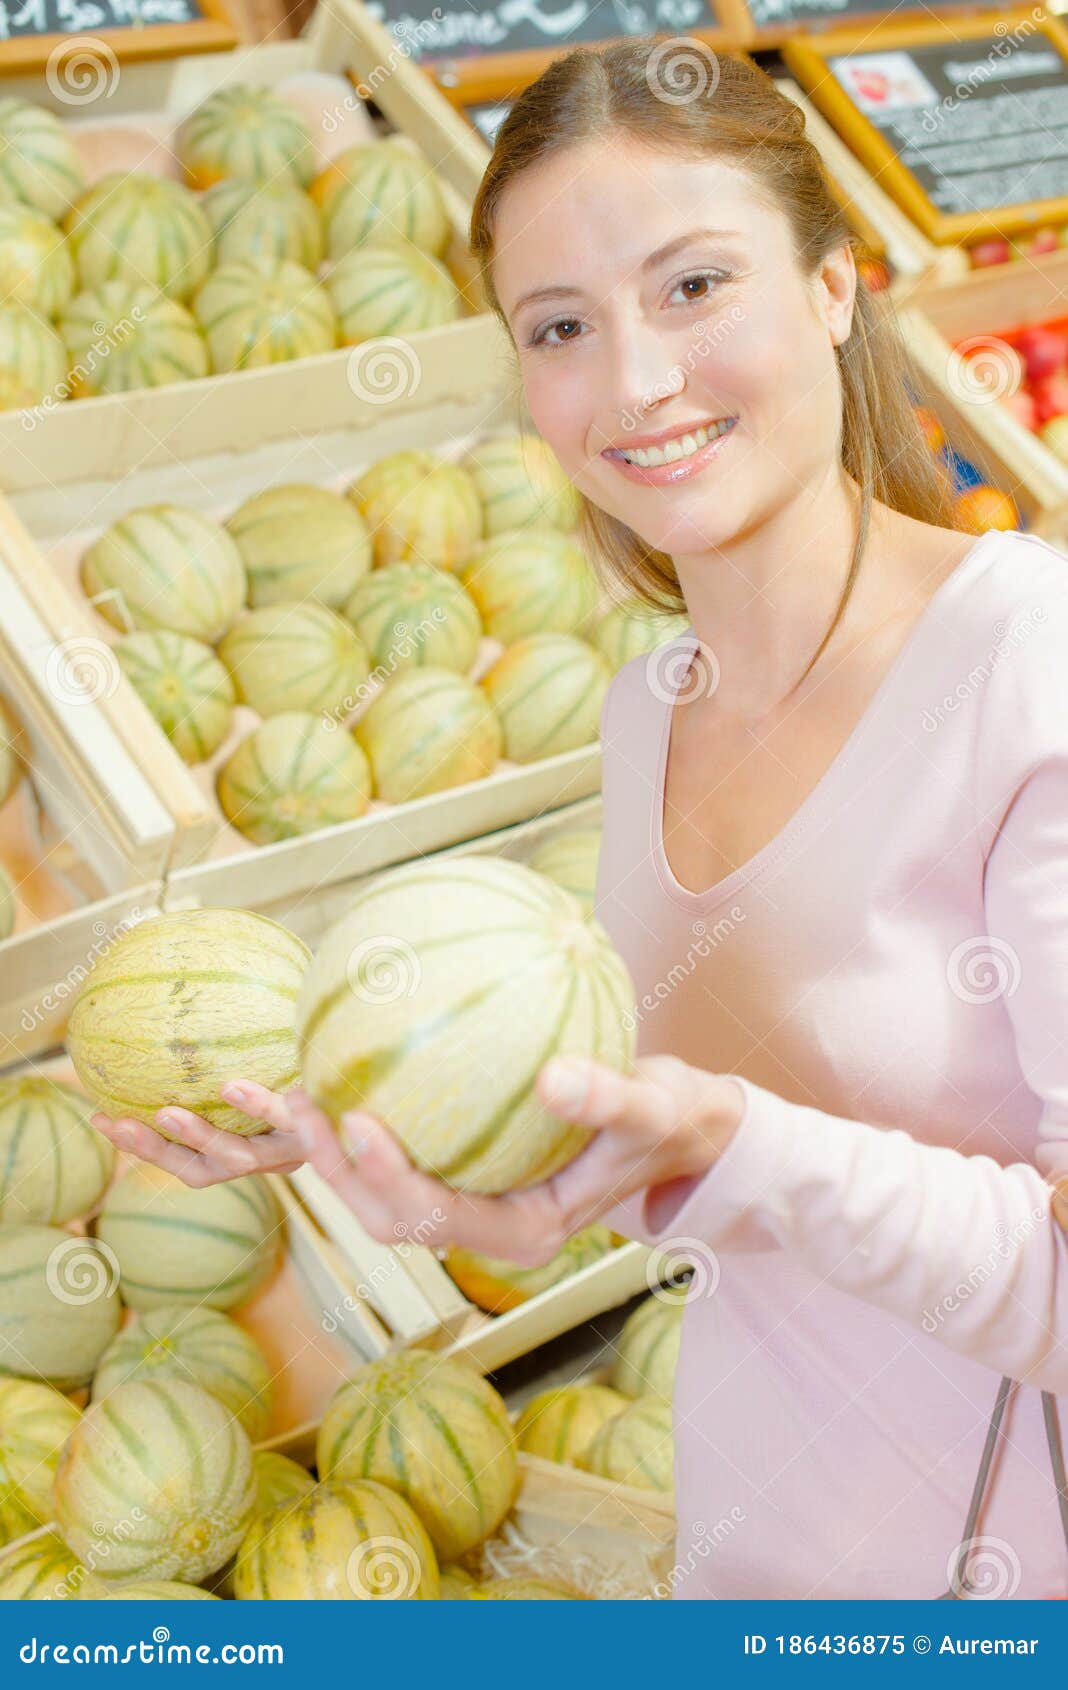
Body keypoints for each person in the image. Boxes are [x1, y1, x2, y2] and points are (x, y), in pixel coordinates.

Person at [92, 43, 1068, 1599]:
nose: (636, 382)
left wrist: (731, 1142)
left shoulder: (1030, 661)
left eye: (694, 288)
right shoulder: (648, 707)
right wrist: (391, 1133)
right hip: (751, 1553)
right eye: (562, 327)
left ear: (834, 285)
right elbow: (677, 1189)